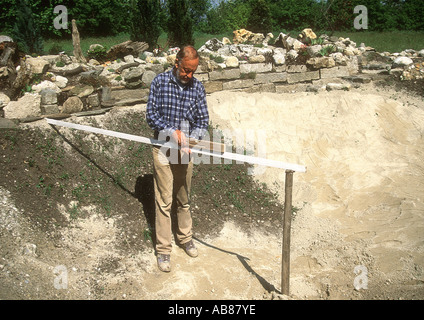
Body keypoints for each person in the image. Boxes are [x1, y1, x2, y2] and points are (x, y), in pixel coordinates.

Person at [146, 45, 209, 272]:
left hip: (184, 152)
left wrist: (191, 140)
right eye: (185, 70)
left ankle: (185, 238)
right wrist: (172, 132)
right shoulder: (160, 82)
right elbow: (151, 115)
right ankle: (163, 251)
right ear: (177, 63)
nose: (189, 75)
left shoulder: (197, 88)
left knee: (184, 197)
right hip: (163, 147)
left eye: (193, 71)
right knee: (164, 201)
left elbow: (202, 122)